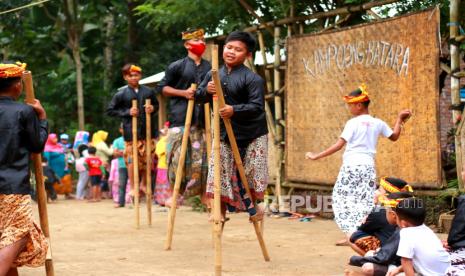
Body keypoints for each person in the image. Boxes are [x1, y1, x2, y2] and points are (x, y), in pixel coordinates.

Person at [305, 84, 411, 244]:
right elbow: (394, 136)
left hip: (351, 167)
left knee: (341, 198)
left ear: (359, 105)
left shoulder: (352, 123)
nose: (350, 108)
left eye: (351, 105)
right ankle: (359, 234)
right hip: (368, 167)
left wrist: (316, 156)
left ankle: (352, 234)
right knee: (365, 200)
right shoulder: (378, 123)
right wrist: (399, 119)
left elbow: (339, 145)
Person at [196, 31, 268, 222]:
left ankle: (255, 208)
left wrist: (234, 109)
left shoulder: (253, 79)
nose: (231, 52)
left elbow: (257, 107)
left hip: (253, 133)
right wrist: (206, 90)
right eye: (229, 47)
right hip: (223, 133)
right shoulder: (212, 74)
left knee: (253, 172)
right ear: (223, 49)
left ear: (248, 55)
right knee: (219, 169)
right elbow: (199, 96)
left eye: (238, 50)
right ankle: (218, 210)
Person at [0, 62, 48, 275]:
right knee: (19, 235)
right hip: (12, 187)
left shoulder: (22, 111)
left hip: (10, 185)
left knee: (4, 238)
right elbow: (37, 145)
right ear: (18, 85)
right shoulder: (24, 111)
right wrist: (43, 119)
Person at [158, 28, 211, 205]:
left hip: (202, 122)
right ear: (187, 44)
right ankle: (175, 195)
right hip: (179, 120)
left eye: (203, 39)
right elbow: (163, 88)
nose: (202, 43)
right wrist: (184, 93)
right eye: (197, 40)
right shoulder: (176, 66)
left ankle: (203, 195)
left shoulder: (209, 67)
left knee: (201, 161)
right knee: (176, 159)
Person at [106, 64, 159, 201]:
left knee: (148, 159)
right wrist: (127, 112)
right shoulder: (121, 94)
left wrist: (152, 108)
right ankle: (134, 187)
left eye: (136, 75)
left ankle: (144, 184)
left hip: (148, 132)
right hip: (131, 133)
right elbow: (110, 110)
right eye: (131, 75)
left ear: (140, 76)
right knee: (131, 160)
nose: (134, 78)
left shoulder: (148, 92)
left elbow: (157, 105)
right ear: (125, 77)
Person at [348, 192, 414, 276]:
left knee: (368, 266)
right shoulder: (413, 226)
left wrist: (354, 259)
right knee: (372, 256)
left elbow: (384, 258)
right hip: (403, 263)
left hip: (408, 268)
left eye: (386, 210)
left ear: (393, 215)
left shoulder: (402, 232)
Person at [349, 177, 413, 256]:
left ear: (386, 195)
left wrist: (373, 209)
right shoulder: (409, 207)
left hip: (392, 254)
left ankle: (374, 261)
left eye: (379, 190)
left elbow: (362, 229)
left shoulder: (380, 211)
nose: (375, 192)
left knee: (351, 235)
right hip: (406, 252)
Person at [389, 197, 450, 276]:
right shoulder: (426, 229)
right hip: (446, 270)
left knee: (391, 270)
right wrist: (398, 269)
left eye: (396, 217)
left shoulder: (406, 233)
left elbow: (406, 261)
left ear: (403, 223)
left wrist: (397, 270)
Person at [44, 133, 74, 199]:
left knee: (67, 179)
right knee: (54, 180)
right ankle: (52, 194)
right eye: (54, 138)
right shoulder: (47, 148)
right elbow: (46, 159)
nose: (56, 139)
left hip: (64, 167)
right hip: (55, 168)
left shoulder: (59, 146)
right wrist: (47, 168)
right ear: (50, 139)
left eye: (56, 138)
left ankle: (67, 193)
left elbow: (66, 154)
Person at [92, 130, 113, 199]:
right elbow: (110, 153)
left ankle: (97, 196)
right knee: (103, 179)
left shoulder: (94, 143)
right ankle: (100, 195)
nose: (106, 137)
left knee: (97, 180)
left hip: (96, 163)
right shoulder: (101, 144)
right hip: (104, 163)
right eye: (104, 136)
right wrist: (112, 147)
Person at [155, 122, 172, 206]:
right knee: (163, 183)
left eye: (166, 128)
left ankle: (168, 200)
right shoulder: (162, 141)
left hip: (170, 166)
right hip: (162, 166)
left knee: (169, 183)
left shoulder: (171, 139)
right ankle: (162, 200)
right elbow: (159, 152)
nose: (165, 130)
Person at [112, 124, 129, 208]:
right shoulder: (117, 140)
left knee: (136, 184)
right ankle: (121, 202)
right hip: (122, 165)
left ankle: (136, 201)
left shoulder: (133, 139)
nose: (125, 130)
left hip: (133, 165)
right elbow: (115, 153)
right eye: (123, 128)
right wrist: (126, 152)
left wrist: (121, 152)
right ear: (120, 130)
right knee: (122, 184)